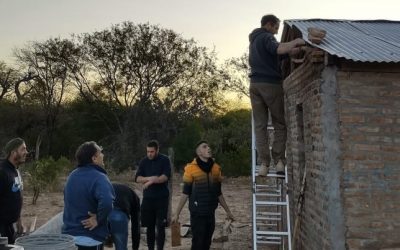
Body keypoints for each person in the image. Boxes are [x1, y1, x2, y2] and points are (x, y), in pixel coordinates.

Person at [249, 14, 305, 176]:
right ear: (269, 24)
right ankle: (279, 161)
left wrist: (292, 53)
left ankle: (264, 164)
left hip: (255, 85)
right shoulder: (266, 37)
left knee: (260, 126)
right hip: (270, 85)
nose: (276, 31)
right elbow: (278, 48)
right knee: (279, 123)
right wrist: (297, 41)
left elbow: (277, 54)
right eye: (276, 27)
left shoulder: (254, 41)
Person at [172, 140, 234, 250]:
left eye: (209, 146)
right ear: (199, 152)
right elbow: (185, 193)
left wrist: (228, 212)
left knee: (206, 243)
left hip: (210, 213)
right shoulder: (190, 169)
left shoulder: (216, 169)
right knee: (197, 243)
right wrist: (176, 213)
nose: (208, 148)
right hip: (197, 214)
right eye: (204, 147)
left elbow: (219, 193)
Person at [62, 141, 115, 250]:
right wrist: (98, 219)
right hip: (90, 240)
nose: (103, 155)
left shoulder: (72, 176)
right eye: (100, 153)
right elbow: (107, 202)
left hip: (68, 240)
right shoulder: (100, 177)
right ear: (94, 158)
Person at [135, 140, 171, 250]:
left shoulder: (165, 160)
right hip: (148, 199)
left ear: (157, 150)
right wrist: (151, 178)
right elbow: (137, 178)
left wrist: (151, 182)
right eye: (148, 151)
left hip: (161, 199)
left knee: (160, 226)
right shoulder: (144, 161)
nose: (149, 154)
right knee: (149, 227)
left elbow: (164, 177)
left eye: (152, 151)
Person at [0, 138, 28, 244]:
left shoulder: (15, 170)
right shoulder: (2, 172)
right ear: (13, 153)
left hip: (11, 227)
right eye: (23, 149)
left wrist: (18, 220)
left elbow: (16, 197)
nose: (26, 152)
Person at [107, 183, 140, 250]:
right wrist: (135, 248)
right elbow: (136, 225)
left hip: (104, 213)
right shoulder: (135, 197)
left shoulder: (107, 186)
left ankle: (108, 238)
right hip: (119, 216)